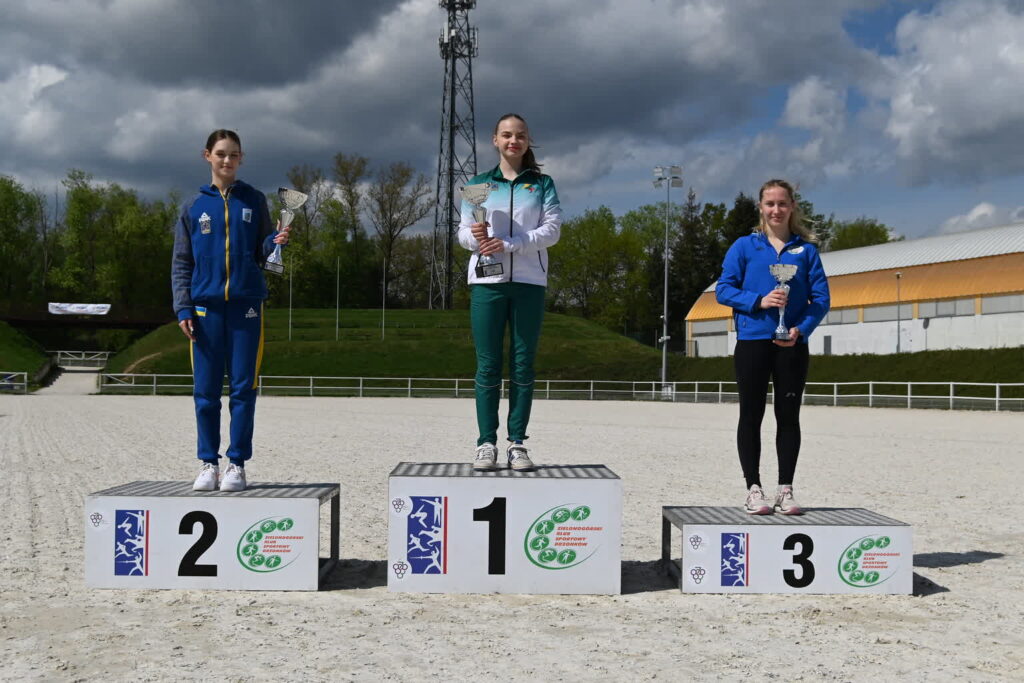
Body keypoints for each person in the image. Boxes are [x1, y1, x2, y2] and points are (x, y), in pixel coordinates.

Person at [171, 129, 290, 492]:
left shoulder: (254, 201)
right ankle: (208, 463)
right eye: (221, 153)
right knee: (205, 391)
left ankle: (236, 463)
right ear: (207, 155)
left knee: (243, 389)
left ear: (241, 159)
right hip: (205, 309)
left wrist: (277, 241)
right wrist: (183, 307)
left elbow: (264, 252)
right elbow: (181, 262)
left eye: (234, 155)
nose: (227, 160)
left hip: (246, 306)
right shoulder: (193, 207)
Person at [715, 179, 830, 514]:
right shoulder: (744, 247)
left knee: (788, 416)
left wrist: (802, 328)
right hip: (752, 341)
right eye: (770, 204)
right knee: (751, 415)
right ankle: (753, 489)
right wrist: (758, 301)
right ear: (760, 207)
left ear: (792, 206)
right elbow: (724, 290)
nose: (776, 210)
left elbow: (821, 299)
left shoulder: (806, 251)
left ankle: (786, 490)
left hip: (791, 343)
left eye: (782, 203)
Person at [457, 113, 562, 471]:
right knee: (487, 365)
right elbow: (462, 234)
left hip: (530, 282)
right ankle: (486, 443)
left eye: (520, 135)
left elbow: (552, 231)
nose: (513, 140)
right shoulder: (477, 184)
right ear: (495, 140)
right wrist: (480, 238)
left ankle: (517, 443)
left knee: (522, 363)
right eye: (506, 135)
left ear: (528, 141)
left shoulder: (543, 184)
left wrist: (512, 243)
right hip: (487, 284)